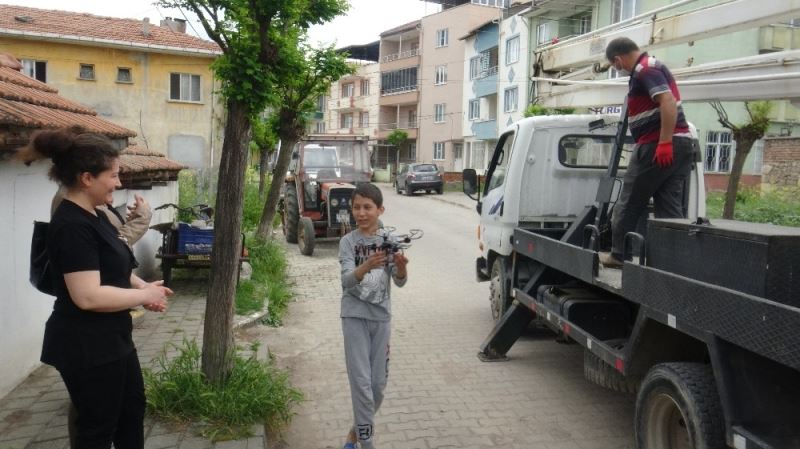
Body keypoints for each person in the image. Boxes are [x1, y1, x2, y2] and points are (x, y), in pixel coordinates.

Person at [18, 128, 172, 448]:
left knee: (131, 411)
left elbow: (114, 267)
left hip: (112, 338)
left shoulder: (95, 215)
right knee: (97, 429)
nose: (119, 183)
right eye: (113, 175)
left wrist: (144, 287)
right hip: (86, 345)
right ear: (87, 178)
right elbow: (87, 296)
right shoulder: (71, 226)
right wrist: (143, 295)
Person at [599, 37, 695, 268]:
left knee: (629, 201)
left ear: (618, 60)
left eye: (614, 66)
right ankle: (672, 261)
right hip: (682, 144)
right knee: (669, 207)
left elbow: (667, 101)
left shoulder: (644, 69)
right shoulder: (652, 66)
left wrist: (664, 142)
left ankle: (618, 255)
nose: (617, 69)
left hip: (655, 144)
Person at [338, 183, 408, 449]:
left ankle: (354, 433)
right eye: (356, 207)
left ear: (380, 210)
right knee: (361, 385)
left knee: (377, 386)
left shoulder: (390, 240)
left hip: (381, 319)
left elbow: (399, 282)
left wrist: (401, 269)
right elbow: (346, 282)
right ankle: (366, 443)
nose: (361, 213)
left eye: (367, 207)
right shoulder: (347, 242)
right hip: (354, 317)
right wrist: (366, 265)